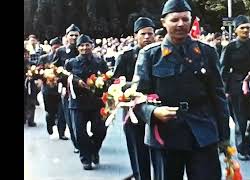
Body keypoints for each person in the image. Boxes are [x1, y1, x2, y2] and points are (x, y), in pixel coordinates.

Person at [133, 0, 230, 179]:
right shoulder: (150, 55)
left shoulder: (207, 52)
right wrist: (153, 111)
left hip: (203, 132)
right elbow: (137, 98)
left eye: (185, 19)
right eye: (175, 20)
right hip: (166, 134)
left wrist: (225, 137)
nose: (181, 24)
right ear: (163, 22)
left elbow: (218, 96)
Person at [113, 17, 156, 180]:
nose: (147, 37)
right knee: (137, 149)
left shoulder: (160, 54)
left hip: (156, 110)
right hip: (133, 111)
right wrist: (133, 87)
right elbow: (115, 83)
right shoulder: (125, 56)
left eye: (150, 34)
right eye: (143, 34)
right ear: (135, 36)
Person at [220, 15, 250, 161]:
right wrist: (225, 90)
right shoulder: (230, 47)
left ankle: (247, 141)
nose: (246, 30)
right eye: (242, 28)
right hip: (237, 86)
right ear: (236, 30)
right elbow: (224, 70)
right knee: (240, 121)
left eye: (248, 27)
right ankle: (241, 149)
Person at [65, 34, 108, 170]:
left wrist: (102, 82)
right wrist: (76, 81)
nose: (85, 48)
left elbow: (108, 77)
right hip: (77, 103)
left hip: (97, 102)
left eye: (87, 45)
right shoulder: (71, 63)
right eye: (82, 45)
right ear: (77, 48)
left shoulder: (99, 61)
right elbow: (63, 78)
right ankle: (86, 158)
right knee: (79, 133)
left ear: (92, 46)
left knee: (100, 130)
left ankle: (94, 150)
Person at [53, 24, 81, 153]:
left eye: (76, 35)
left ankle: (84, 140)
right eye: (72, 35)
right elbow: (54, 68)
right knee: (71, 119)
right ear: (66, 37)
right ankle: (77, 143)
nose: (74, 38)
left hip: (83, 91)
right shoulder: (61, 51)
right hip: (67, 90)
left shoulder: (84, 49)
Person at [37, 37, 69, 140]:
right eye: (54, 48)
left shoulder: (65, 58)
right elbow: (38, 72)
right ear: (51, 47)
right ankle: (49, 123)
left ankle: (61, 133)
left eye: (58, 48)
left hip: (61, 90)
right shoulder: (44, 58)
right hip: (48, 90)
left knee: (62, 113)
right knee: (50, 112)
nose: (56, 50)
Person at [24, 48, 38, 127]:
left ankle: (30, 120)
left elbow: (37, 74)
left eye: (26, 54)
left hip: (30, 86)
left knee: (31, 103)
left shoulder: (32, 64)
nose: (25, 56)